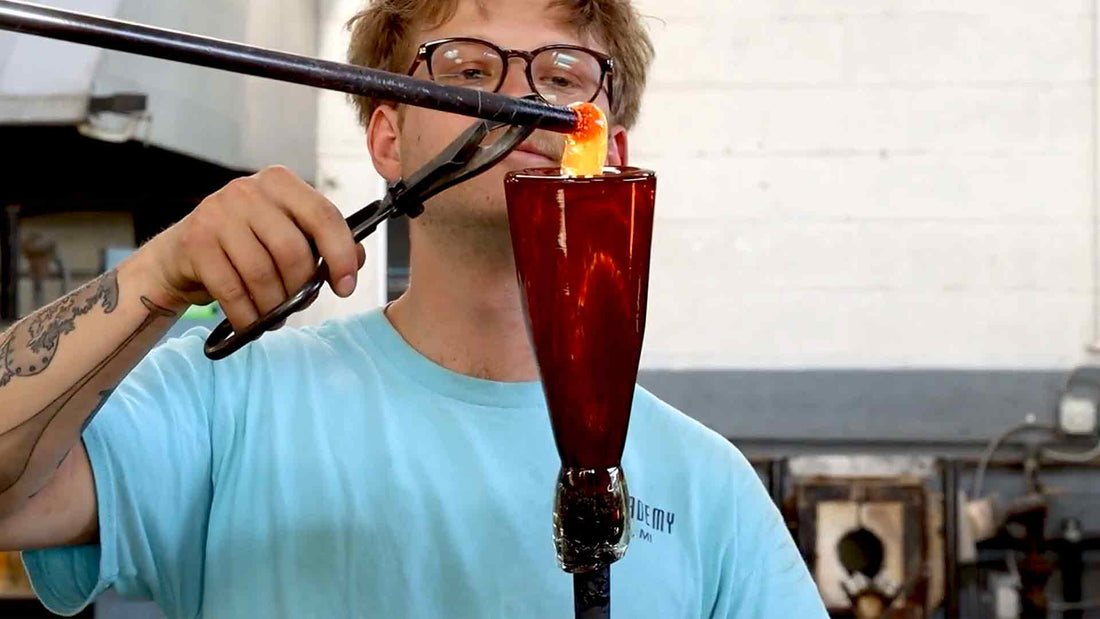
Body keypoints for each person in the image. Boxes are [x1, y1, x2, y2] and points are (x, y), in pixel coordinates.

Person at [0, 0, 827, 616]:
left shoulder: (707, 484)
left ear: (606, 156)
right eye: (469, 68)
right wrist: (156, 275)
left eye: (563, 76)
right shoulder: (227, 402)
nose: (516, 99)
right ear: (387, 138)